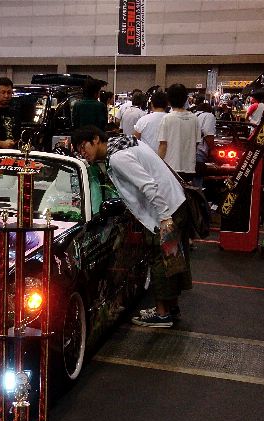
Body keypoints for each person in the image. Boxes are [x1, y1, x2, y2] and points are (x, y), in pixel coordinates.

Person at [72, 125, 191, 327]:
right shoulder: (124, 143)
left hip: (166, 210)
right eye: (79, 151)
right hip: (174, 203)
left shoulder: (118, 158)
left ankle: (162, 314)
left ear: (96, 139)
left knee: (161, 259)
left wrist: (164, 217)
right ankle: (171, 309)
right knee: (172, 259)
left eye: (84, 147)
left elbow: (148, 185)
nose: (83, 153)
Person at [157, 83, 200, 182]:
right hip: (189, 167)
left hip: (170, 168)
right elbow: (196, 143)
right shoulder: (194, 118)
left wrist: (158, 164)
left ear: (169, 100)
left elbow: (163, 145)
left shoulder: (167, 118)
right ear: (185, 99)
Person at [193, 101, 216, 188]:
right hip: (199, 151)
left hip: (187, 151)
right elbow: (208, 133)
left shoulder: (193, 115)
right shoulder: (209, 116)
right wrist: (213, 149)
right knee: (198, 180)